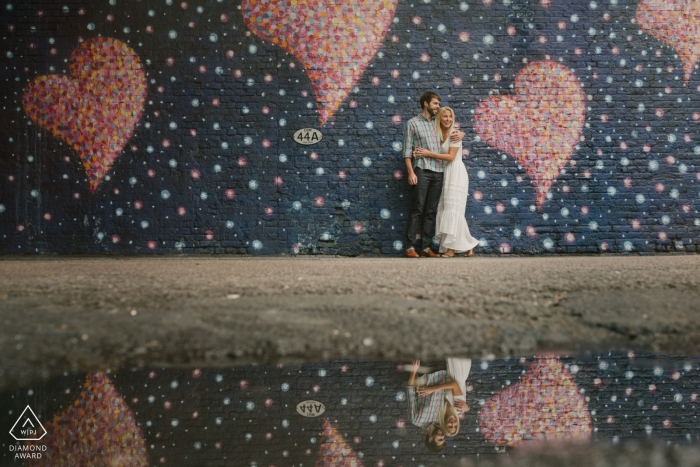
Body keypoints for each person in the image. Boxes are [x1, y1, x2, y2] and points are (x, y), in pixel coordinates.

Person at [403, 92, 465, 258]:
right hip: (421, 170)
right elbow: (407, 151)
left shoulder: (437, 123)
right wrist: (410, 172)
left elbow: (452, 132)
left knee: (431, 211)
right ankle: (409, 247)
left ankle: (425, 247)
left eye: (438, 104)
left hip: (439, 172)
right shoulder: (412, 123)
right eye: (435, 104)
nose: (438, 107)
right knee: (417, 208)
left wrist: (462, 134)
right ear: (425, 104)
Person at [413, 107, 479, 257]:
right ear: (439, 118)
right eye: (445, 116)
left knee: (454, 210)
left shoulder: (455, 134)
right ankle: (469, 243)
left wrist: (429, 154)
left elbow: (450, 157)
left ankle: (452, 249)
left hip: (456, 173)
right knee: (446, 209)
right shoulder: (435, 133)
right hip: (444, 173)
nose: (448, 119)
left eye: (450, 116)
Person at [406, 359, 469, 452]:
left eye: (440, 439)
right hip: (442, 371)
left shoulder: (415, 420)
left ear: (430, 439)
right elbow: (454, 410)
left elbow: (410, 391)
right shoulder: (442, 420)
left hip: (425, 370)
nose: (442, 436)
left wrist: (413, 371)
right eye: (443, 438)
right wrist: (467, 408)